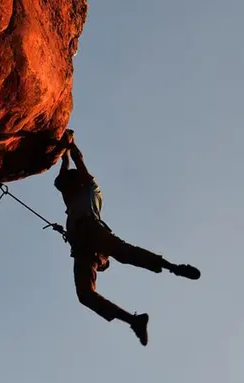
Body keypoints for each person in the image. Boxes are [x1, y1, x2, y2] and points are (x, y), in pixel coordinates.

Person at [53, 129, 201, 346]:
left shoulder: (89, 188)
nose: (64, 192)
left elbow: (77, 161)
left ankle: (173, 267)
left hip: (92, 231)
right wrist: (64, 152)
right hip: (83, 247)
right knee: (85, 294)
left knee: (124, 252)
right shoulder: (72, 196)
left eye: (65, 187)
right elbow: (65, 168)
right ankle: (133, 321)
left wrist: (71, 143)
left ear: (74, 183)